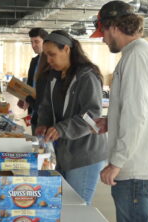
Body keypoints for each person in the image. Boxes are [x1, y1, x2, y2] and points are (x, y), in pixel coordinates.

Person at [92, 1, 148, 221]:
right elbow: (140, 108)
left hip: (133, 168)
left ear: (114, 27)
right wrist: (112, 121)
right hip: (135, 163)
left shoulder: (137, 56)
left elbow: (135, 113)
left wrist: (117, 162)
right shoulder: (138, 53)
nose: (103, 39)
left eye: (103, 32)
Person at [36, 30, 108, 205]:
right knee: (62, 206)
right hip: (63, 152)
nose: (49, 60)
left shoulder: (86, 76)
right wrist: (43, 124)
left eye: (52, 54)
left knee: (76, 208)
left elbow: (92, 114)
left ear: (66, 49)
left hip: (84, 154)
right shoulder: (54, 77)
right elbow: (46, 106)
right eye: (46, 55)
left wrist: (61, 129)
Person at [17, 28, 48, 134]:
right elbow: (30, 85)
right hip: (33, 111)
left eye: (37, 41)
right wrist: (24, 98)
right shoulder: (34, 61)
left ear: (46, 41)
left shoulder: (51, 63)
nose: (33, 45)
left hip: (45, 113)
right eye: (31, 42)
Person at [24, 53, 51, 134]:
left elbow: (40, 105)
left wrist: (28, 98)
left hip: (42, 122)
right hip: (42, 120)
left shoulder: (44, 77)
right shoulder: (54, 76)